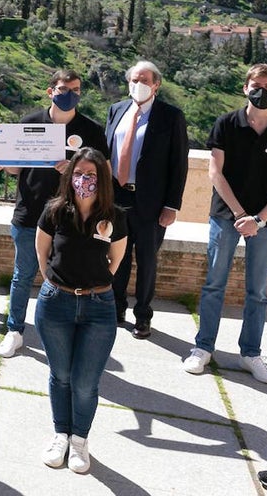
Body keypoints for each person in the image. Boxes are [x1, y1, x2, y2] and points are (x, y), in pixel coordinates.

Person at [182, 64, 267, 384]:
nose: (261, 90)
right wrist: (239, 215)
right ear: (245, 87)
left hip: (266, 222)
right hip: (226, 217)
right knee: (214, 284)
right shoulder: (226, 124)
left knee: (258, 291)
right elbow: (215, 173)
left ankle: (251, 353)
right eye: (256, 84)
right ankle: (202, 348)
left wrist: (259, 219)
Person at [0, 70, 108, 358]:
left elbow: (103, 173)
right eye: (63, 88)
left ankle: (60, 333)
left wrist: (72, 169)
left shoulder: (92, 130)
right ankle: (15, 330)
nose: (70, 93)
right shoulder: (30, 122)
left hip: (72, 219)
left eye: (76, 89)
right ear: (50, 91)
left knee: (65, 279)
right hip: (29, 212)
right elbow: (15, 168)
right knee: (23, 275)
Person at [35, 147, 127, 474]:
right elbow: (42, 253)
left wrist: (92, 287)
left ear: (102, 179)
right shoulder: (55, 211)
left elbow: (115, 262)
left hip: (99, 309)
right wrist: (57, 285)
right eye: (78, 173)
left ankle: (79, 440)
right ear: (69, 175)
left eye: (90, 174)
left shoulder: (115, 217)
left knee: (85, 383)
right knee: (60, 376)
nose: (83, 180)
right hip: (55, 304)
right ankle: (61, 433)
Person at [105, 60, 188, 339]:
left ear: (156, 85)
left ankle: (143, 316)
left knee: (147, 261)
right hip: (116, 199)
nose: (137, 85)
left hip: (152, 204)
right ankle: (116, 308)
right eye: (133, 80)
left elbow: (179, 164)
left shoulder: (170, 116)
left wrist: (171, 205)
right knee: (117, 256)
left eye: (144, 80)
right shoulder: (116, 110)